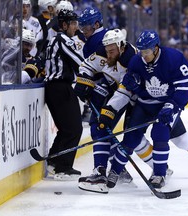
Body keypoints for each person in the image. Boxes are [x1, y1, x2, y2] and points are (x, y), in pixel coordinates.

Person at [99, 30, 188, 190]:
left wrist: (173, 105)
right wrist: (110, 109)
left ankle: (167, 172)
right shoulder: (136, 62)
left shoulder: (173, 58)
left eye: (147, 51)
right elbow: (125, 90)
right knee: (131, 138)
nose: (143, 55)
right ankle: (114, 171)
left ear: (156, 48)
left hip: (167, 105)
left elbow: (187, 85)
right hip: (144, 105)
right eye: (141, 51)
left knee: (168, 136)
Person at [74, 28, 137, 193]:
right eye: (107, 51)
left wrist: (109, 110)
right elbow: (87, 65)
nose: (109, 55)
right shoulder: (104, 51)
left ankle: (102, 174)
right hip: (111, 91)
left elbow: (124, 92)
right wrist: (84, 81)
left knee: (104, 128)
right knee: (98, 127)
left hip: (128, 97)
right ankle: (107, 171)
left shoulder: (131, 60)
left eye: (112, 51)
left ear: (121, 46)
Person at [44, 9, 85, 181]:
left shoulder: (59, 40)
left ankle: (54, 161)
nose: (76, 27)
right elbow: (79, 63)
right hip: (60, 88)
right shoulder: (62, 40)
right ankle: (63, 167)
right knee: (74, 128)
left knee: (68, 128)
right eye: (73, 23)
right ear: (64, 25)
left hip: (57, 88)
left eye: (76, 23)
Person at [77, 7, 108, 122]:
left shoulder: (101, 40)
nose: (83, 30)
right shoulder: (94, 39)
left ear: (96, 24)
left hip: (108, 87)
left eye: (86, 26)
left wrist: (94, 85)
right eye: (82, 27)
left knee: (98, 126)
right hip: (106, 86)